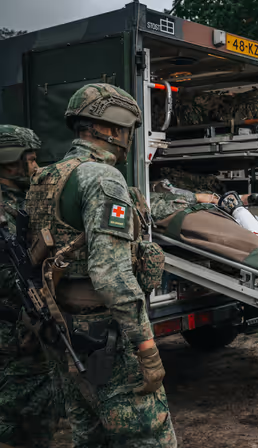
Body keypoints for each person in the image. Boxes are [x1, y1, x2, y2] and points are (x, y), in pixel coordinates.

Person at [26, 83, 177, 447]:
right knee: (150, 437)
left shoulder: (48, 177)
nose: (128, 139)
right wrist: (147, 348)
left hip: (67, 332)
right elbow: (111, 273)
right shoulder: (102, 178)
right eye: (127, 130)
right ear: (112, 128)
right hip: (107, 336)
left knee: (89, 436)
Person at [0, 125, 61, 447]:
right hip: (8, 332)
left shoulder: (27, 198)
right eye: (31, 160)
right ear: (10, 162)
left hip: (30, 332)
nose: (36, 168)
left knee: (39, 414)